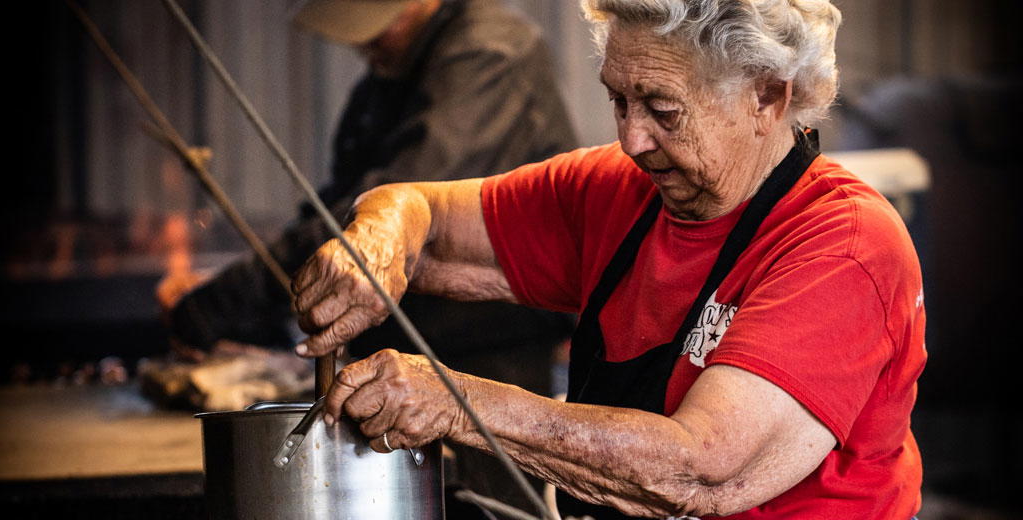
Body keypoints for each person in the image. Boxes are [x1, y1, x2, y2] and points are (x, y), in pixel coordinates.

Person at [290, 0, 927, 518]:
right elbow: (419, 211)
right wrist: (376, 240)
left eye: (663, 110)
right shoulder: (618, 189)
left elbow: (700, 469)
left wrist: (457, 400)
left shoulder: (842, 242)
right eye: (619, 100)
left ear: (766, 96)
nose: (631, 139)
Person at [163, 0, 576, 512]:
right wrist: (238, 303)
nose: (362, 43)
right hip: (404, 350)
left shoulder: (488, 55)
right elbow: (334, 207)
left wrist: (220, 303)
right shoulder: (388, 78)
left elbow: (379, 215)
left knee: (495, 509)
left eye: (377, 24)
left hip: (488, 350)